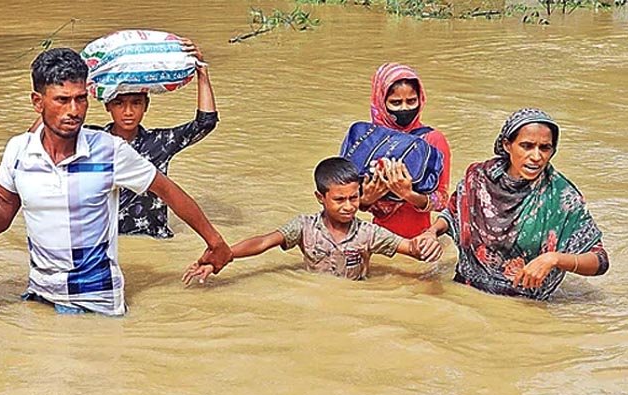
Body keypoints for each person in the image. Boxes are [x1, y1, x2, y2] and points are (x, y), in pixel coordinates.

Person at [0, 48, 232, 316]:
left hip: (95, 304)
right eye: (62, 100)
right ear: (38, 102)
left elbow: (168, 191)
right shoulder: (19, 150)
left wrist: (216, 242)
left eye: (80, 99)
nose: (74, 111)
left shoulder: (110, 151)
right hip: (40, 297)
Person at [417, 108, 610, 300]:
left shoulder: (562, 197)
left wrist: (555, 259)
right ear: (507, 145)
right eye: (527, 146)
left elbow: (599, 260)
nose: (536, 156)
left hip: (522, 310)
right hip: (464, 296)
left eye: (545, 148)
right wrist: (431, 232)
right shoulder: (478, 178)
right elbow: (452, 215)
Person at [183, 157, 443, 284]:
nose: (349, 206)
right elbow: (264, 242)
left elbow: (410, 249)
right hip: (315, 294)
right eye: (339, 199)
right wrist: (223, 257)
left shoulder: (368, 233)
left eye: (354, 198)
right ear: (320, 197)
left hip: (356, 299)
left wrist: (427, 245)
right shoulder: (304, 227)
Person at [92, 38, 218, 239]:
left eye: (136, 103)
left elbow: (205, 123)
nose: (128, 112)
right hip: (107, 240)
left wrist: (202, 72)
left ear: (146, 106)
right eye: (119, 103)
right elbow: (47, 130)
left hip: (153, 237)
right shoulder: (93, 140)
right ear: (107, 106)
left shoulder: (159, 142)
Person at [360, 62, 453, 238]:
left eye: (411, 101)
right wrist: (367, 199)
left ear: (421, 99)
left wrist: (408, 194)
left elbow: (442, 200)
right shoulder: (367, 141)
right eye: (395, 102)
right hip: (376, 241)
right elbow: (346, 200)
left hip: (421, 243)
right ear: (380, 102)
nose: (404, 108)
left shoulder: (432, 140)